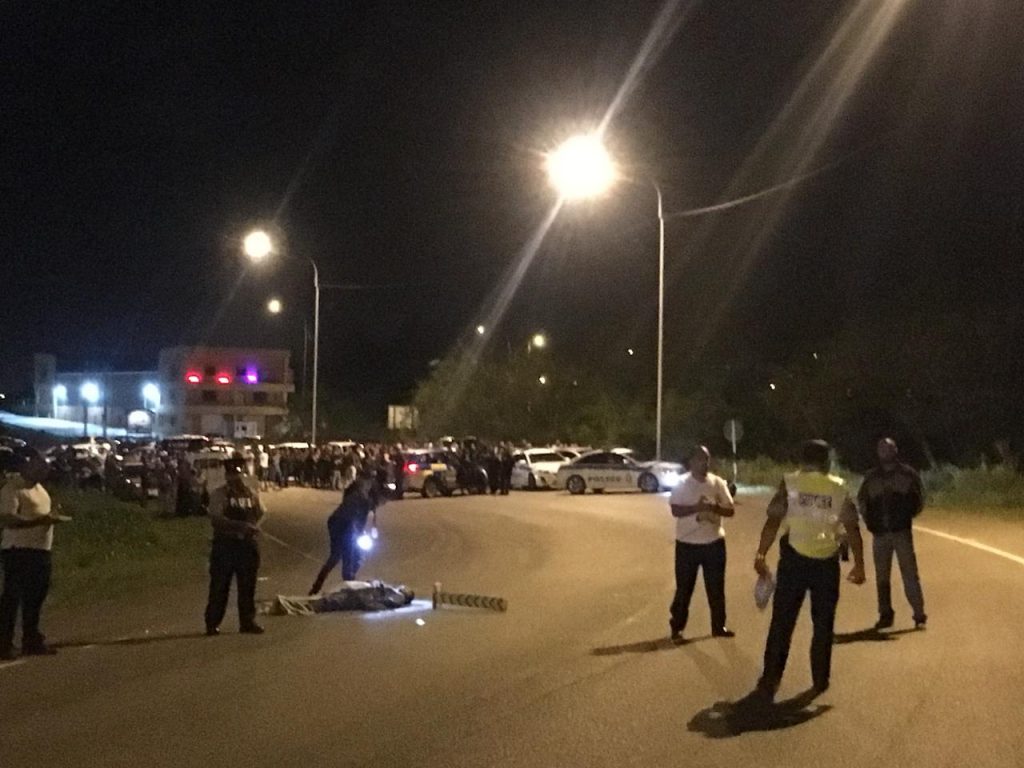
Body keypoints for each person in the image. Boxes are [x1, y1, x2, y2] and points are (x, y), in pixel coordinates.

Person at [751, 439, 865, 701]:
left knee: (782, 624)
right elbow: (852, 529)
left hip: (793, 563)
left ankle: (770, 680)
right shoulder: (838, 488)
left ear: (802, 460)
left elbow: (773, 518)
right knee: (823, 625)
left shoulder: (790, 483)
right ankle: (820, 679)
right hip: (826, 565)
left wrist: (761, 553)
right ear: (827, 461)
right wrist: (859, 565)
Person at [0, 452, 70, 659]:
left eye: (45, 469)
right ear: (28, 466)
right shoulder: (12, 488)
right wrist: (38, 522)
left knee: (35, 598)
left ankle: (31, 639)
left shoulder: (40, 490)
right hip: (18, 549)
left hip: (40, 550)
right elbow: (6, 519)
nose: (43, 472)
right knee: (12, 599)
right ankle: (4, 643)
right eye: (39, 467)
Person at [668, 445, 736, 642]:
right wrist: (697, 508)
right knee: (684, 589)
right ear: (691, 462)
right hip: (687, 544)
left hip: (713, 543)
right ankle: (677, 628)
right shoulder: (682, 483)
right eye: (699, 459)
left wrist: (714, 508)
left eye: (706, 459)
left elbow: (730, 510)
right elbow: (675, 510)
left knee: (716, 588)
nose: (704, 463)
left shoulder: (717, 483)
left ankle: (718, 626)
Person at [858, 437, 927, 630]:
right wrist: (870, 523)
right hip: (879, 533)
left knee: (910, 573)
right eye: (881, 448)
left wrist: (906, 517)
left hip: (901, 532)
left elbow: (919, 500)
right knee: (882, 577)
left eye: (888, 448)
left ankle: (919, 612)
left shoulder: (907, 475)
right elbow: (862, 503)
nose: (884, 452)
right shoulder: (871, 477)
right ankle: (885, 613)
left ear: (895, 450)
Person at [204, 462, 265, 636]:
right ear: (226, 476)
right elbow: (216, 519)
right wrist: (240, 527)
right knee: (219, 587)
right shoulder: (219, 494)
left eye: (237, 474)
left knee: (248, 587)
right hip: (226, 546)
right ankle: (212, 623)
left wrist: (253, 527)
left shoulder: (250, 493)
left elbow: (261, 512)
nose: (235, 478)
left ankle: (247, 621)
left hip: (247, 546)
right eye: (231, 475)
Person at [308, 471, 380, 594]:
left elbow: (367, 518)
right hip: (344, 525)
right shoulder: (363, 497)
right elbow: (359, 520)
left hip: (336, 523)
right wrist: (362, 532)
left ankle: (316, 588)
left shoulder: (356, 492)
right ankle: (349, 587)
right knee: (347, 557)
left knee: (338, 556)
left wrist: (369, 529)